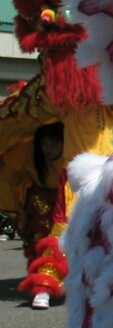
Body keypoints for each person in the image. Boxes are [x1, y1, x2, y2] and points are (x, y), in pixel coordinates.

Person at [18, 123, 64, 309]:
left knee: (56, 243)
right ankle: (43, 284)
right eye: (44, 144)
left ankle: (44, 287)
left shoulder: (73, 157)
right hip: (39, 204)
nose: (48, 149)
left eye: (53, 143)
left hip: (66, 201)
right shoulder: (29, 157)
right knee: (40, 244)